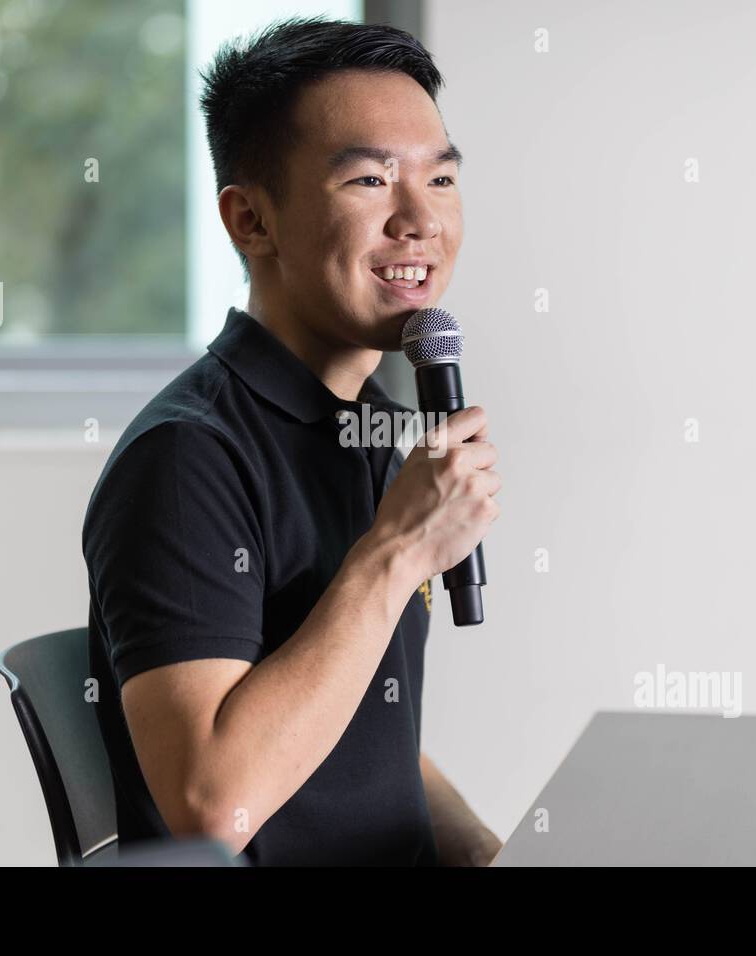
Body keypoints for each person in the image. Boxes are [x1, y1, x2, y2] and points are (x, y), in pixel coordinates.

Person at [82, 15, 502, 866]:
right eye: (370, 182)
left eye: (442, 178)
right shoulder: (186, 458)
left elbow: (363, 751)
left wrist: (495, 857)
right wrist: (397, 552)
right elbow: (213, 805)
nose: (419, 220)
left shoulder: (372, 432)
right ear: (250, 220)